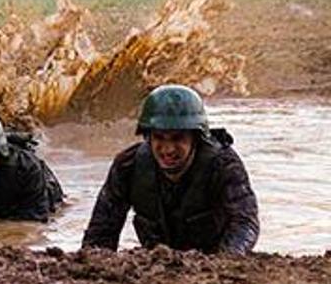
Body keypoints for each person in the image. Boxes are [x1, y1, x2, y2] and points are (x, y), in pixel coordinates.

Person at [82, 84, 259, 255]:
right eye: (159, 138)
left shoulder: (223, 166)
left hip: (209, 260)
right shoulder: (128, 166)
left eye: (177, 138)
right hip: (155, 262)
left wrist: (226, 262)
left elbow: (245, 223)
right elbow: (101, 232)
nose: (168, 149)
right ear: (148, 136)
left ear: (195, 138)